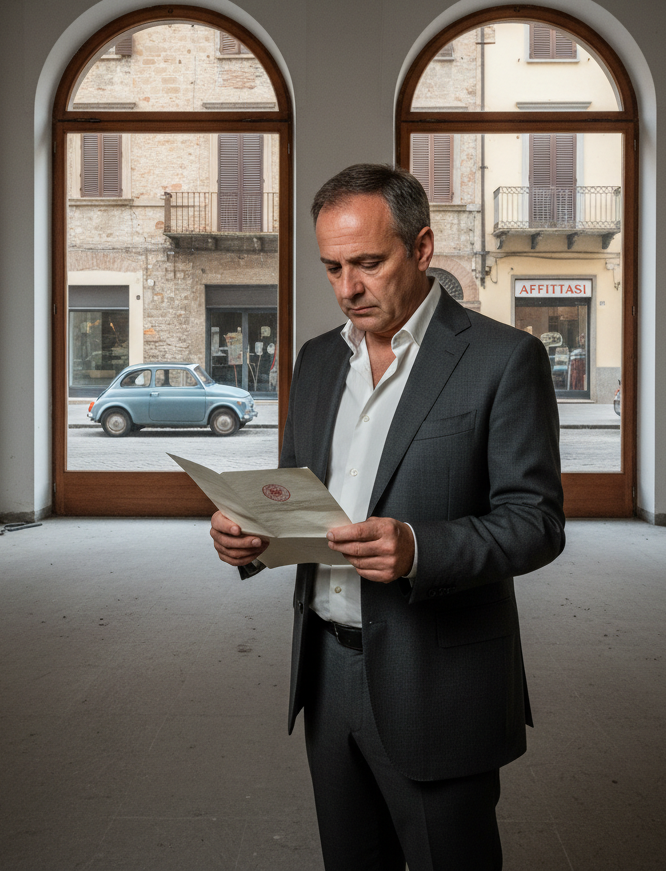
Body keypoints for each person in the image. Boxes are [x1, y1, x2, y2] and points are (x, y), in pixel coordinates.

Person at [211, 163, 564, 871]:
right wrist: (248, 535)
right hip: (326, 674)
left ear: (422, 248)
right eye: (333, 267)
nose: (348, 288)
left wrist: (419, 548)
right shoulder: (317, 361)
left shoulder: (504, 359)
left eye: (369, 264)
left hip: (440, 680)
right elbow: (294, 493)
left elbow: (536, 521)